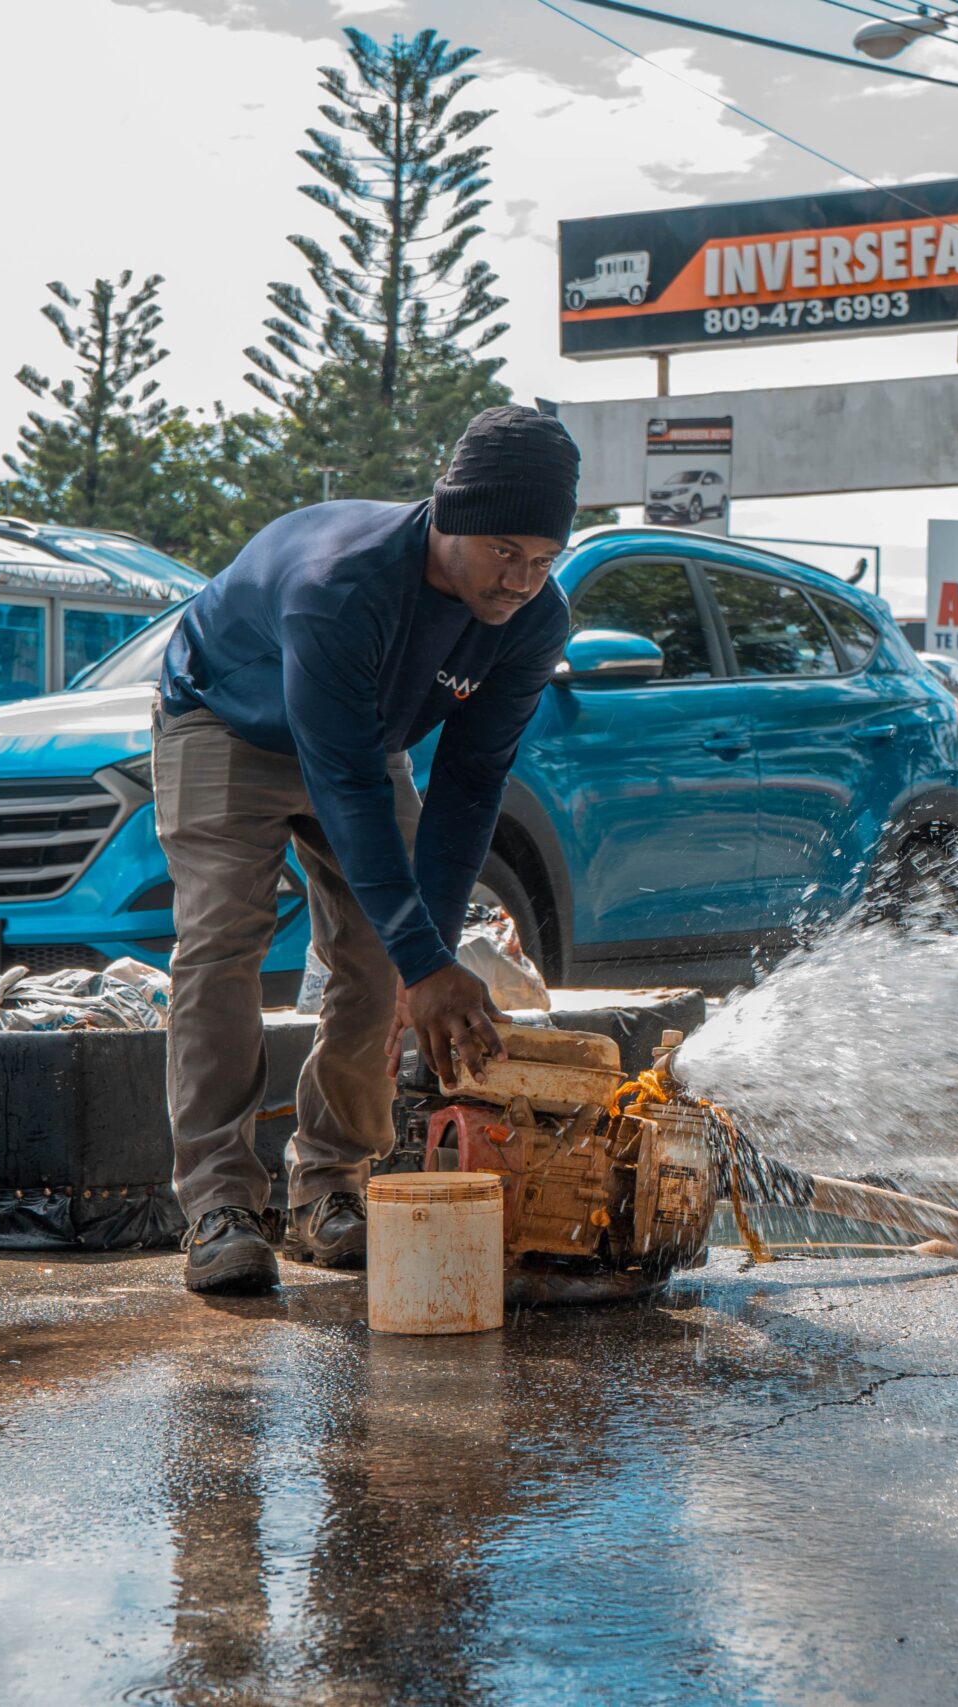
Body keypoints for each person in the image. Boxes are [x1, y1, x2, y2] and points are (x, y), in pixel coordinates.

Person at [153, 405, 579, 1294]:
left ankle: (328, 1187)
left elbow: (470, 784)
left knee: (378, 959)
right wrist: (422, 958)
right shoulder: (340, 585)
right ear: (450, 513)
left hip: (358, 736)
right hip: (224, 717)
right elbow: (343, 785)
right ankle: (219, 1205)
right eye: (505, 550)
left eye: (543, 560)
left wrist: (420, 955)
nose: (520, 580)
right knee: (223, 941)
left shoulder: (534, 621)